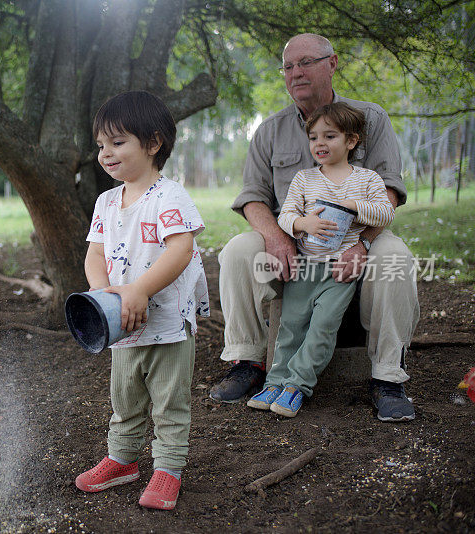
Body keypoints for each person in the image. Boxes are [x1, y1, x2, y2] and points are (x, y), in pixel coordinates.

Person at [209, 33, 420, 422]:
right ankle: (248, 362)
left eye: (306, 62)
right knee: (238, 250)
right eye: (288, 66)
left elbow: (389, 191)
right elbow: (253, 196)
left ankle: (388, 377)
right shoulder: (269, 131)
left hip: (359, 233)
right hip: (293, 238)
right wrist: (276, 236)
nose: (296, 73)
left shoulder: (369, 119)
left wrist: (365, 245)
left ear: (332, 63)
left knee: (396, 257)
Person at [74, 90, 210, 510]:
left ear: (153, 143)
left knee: (169, 400)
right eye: (101, 145)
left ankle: (168, 467)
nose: (106, 154)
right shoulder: (106, 201)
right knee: (125, 395)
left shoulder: (169, 197)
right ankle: (123, 459)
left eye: (117, 143)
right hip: (123, 321)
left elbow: (179, 250)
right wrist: (102, 293)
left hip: (166, 322)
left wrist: (139, 289)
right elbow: (95, 254)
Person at [247, 102, 394, 417]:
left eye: (330, 136)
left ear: (351, 141)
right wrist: (302, 224)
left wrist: (355, 206)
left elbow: (385, 212)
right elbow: (286, 215)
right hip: (305, 267)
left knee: (323, 327)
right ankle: (275, 380)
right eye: (314, 138)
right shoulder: (304, 179)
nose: (320, 144)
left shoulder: (367, 180)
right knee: (292, 326)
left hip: (339, 272)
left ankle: (297, 385)